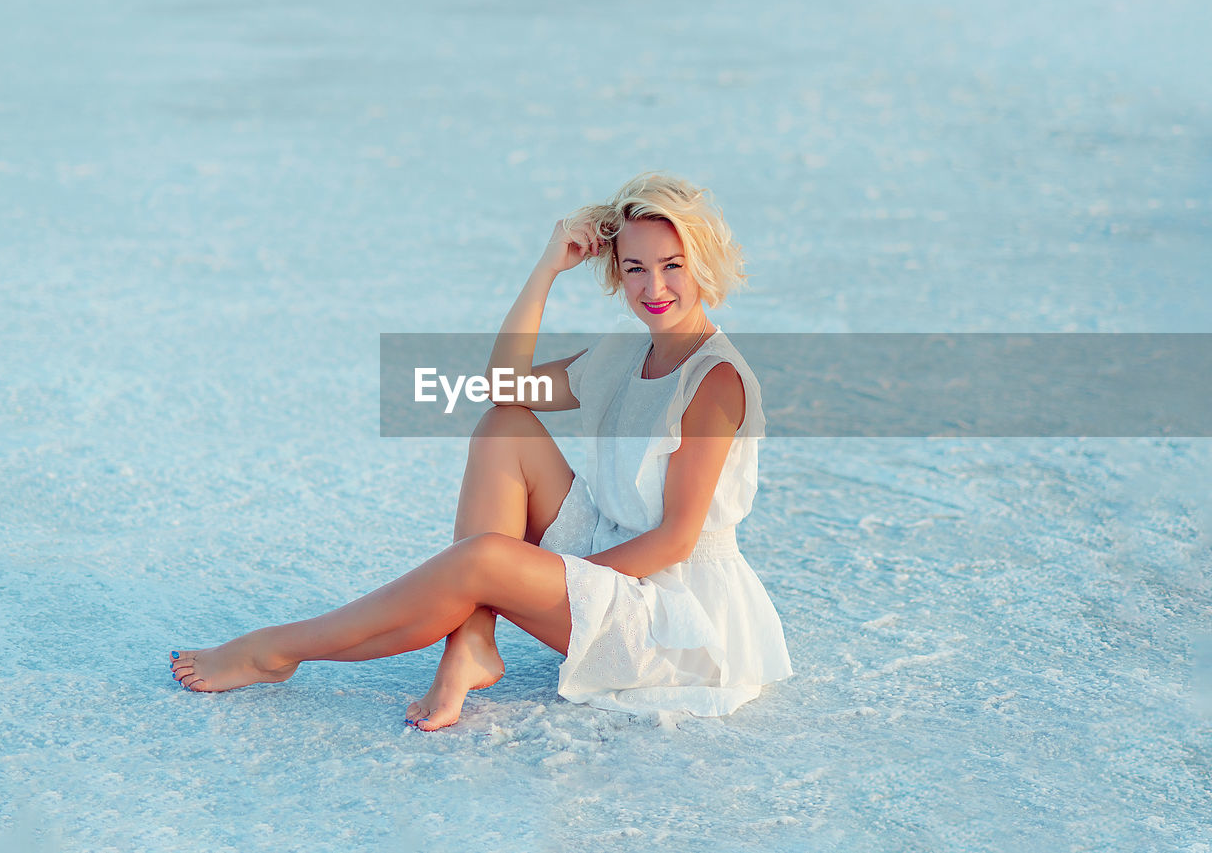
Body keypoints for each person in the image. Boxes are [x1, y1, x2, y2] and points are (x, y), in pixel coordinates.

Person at [170, 172, 792, 729]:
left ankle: (277, 650)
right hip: (616, 556)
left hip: (676, 620)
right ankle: (470, 640)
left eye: (673, 264)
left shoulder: (714, 378)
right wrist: (548, 266)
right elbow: (503, 385)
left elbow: (676, 542)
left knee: (484, 562)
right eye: (635, 268)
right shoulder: (627, 355)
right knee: (505, 427)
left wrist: (536, 579)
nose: (653, 286)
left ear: (702, 261)